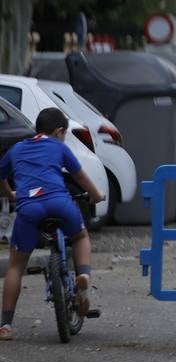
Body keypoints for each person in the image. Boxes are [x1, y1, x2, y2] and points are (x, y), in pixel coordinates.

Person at [0, 108, 106, 339]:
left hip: (29, 207)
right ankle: (85, 277)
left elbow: (0, 177)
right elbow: (79, 176)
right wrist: (96, 195)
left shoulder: (17, 149)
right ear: (59, 131)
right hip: (59, 201)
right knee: (80, 236)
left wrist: (11, 194)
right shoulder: (59, 146)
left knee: (16, 266)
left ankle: (6, 326)